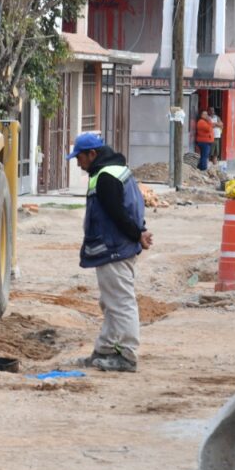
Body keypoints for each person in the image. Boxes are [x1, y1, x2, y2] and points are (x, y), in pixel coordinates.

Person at [67, 132, 152, 373]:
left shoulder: (105, 177)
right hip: (119, 247)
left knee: (121, 303)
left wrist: (137, 233)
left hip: (114, 248)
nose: (78, 163)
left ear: (92, 154)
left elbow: (118, 213)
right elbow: (133, 205)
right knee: (111, 302)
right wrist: (140, 231)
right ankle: (105, 349)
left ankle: (126, 354)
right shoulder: (117, 170)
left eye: (79, 158)